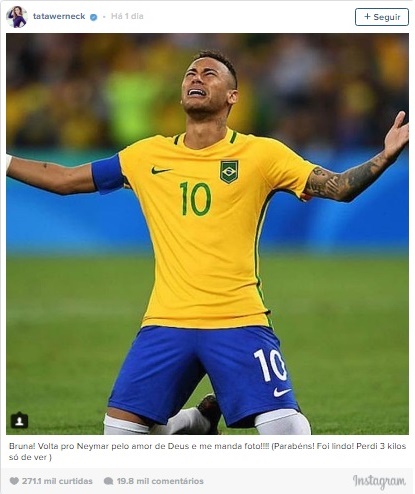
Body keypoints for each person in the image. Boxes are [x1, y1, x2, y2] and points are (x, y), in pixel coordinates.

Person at [6, 50, 409, 435]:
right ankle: (191, 422)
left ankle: (207, 421)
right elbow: (63, 179)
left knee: (286, 434)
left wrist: (385, 156)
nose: (196, 77)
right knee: (119, 437)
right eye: (190, 73)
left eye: (209, 73)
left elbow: (338, 187)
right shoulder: (145, 156)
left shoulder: (262, 154)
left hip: (238, 319)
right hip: (166, 321)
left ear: (233, 96)